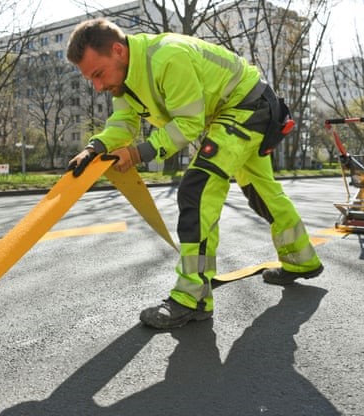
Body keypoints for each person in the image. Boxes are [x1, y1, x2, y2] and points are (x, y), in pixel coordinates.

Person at [66, 18, 323, 329]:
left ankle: (193, 297)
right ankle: (302, 260)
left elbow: (187, 124)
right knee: (261, 191)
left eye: (98, 74)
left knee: (197, 191)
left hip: (246, 106)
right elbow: (123, 123)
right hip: (227, 114)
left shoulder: (167, 57)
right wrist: (94, 148)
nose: (98, 86)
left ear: (118, 51)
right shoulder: (124, 83)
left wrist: (137, 154)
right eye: (91, 79)